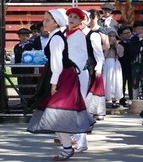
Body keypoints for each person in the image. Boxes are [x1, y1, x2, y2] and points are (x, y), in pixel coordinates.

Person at [25, 9, 95, 161]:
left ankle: (69, 145)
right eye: (44, 19)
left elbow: (58, 62)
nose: (44, 22)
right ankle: (70, 142)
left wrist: (53, 83)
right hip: (60, 76)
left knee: (57, 113)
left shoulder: (57, 38)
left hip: (63, 77)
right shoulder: (56, 35)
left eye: (48, 20)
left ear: (56, 22)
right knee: (56, 113)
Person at [65, 8, 90, 153]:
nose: (72, 19)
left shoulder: (79, 34)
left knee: (78, 106)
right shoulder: (67, 33)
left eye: (75, 17)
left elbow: (82, 56)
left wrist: (74, 71)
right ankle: (74, 136)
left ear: (81, 21)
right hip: (70, 72)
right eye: (70, 16)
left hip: (78, 72)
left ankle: (82, 141)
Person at [85, 9, 106, 120]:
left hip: (92, 61)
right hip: (82, 62)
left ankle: (97, 111)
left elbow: (101, 49)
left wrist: (99, 66)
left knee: (95, 86)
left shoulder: (94, 34)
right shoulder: (81, 32)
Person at [11, 28, 35, 103]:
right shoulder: (17, 47)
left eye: (26, 35)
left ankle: (30, 103)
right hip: (20, 70)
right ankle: (23, 102)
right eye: (23, 35)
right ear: (19, 36)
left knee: (29, 86)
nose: (24, 37)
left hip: (29, 69)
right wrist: (14, 70)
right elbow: (14, 58)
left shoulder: (31, 46)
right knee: (21, 86)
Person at [129, 20, 143, 100]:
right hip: (135, 62)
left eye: (142, 28)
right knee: (135, 81)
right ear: (135, 30)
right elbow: (131, 48)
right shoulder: (133, 39)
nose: (140, 30)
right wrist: (141, 48)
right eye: (138, 29)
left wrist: (141, 40)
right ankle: (134, 99)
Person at [103, 27, 124, 108]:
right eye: (110, 35)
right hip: (107, 64)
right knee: (107, 81)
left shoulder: (120, 46)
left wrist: (116, 45)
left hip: (115, 64)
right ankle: (104, 99)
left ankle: (114, 100)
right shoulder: (104, 46)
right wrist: (108, 45)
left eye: (113, 36)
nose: (112, 37)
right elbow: (104, 55)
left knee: (115, 82)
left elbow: (121, 55)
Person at [118, 24, 133, 105]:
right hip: (122, 66)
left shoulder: (133, 43)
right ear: (121, 35)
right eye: (126, 33)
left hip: (131, 66)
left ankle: (131, 99)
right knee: (122, 82)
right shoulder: (120, 44)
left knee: (131, 83)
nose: (128, 35)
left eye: (129, 32)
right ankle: (122, 99)